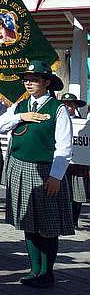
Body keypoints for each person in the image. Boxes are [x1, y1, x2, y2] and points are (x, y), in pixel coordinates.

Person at [0, 61, 74, 288]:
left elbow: (65, 146)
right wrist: (21, 117)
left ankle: (47, 273)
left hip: (45, 170)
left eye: (34, 79)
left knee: (47, 225)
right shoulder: (20, 106)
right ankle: (34, 269)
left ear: (46, 82)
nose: (28, 82)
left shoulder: (57, 109)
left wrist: (56, 176)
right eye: (26, 79)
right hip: (20, 167)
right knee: (28, 221)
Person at [61, 92, 88, 227]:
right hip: (62, 162)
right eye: (64, 104)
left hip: (78, 163)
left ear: (75, 106)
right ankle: (64, 220)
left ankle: (74, 221)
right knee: (63, 192)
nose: (67, 107)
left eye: (69, 105)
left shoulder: (83, 124)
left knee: (77, 193)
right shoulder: (57, 121)